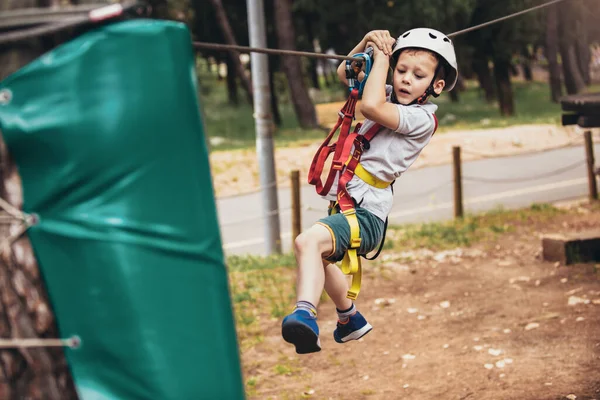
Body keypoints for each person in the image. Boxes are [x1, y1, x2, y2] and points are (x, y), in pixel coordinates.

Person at [281, 28, 459, 354]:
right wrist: (367, 42)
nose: (405, 79)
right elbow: (344, 72)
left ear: (436, 86)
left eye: (417, 75)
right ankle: (349, 319)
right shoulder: (389, 93)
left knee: (307, 241)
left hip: (368, 214)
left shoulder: (420, 118)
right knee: (313, 254)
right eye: (401, 70)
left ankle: (304, 314)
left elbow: (371, 107)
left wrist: (384, 58)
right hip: (349, 202)